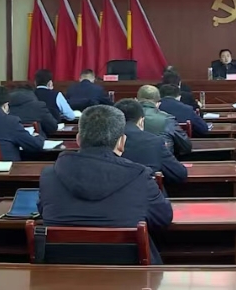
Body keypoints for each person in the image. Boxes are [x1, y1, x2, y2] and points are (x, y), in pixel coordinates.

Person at [38, 105, 173, 265]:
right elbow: (164, 218)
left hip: (62, 272)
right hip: (129, 274)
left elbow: (43, 211)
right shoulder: (140, 177)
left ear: (78, 139)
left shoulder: (49, 176)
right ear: (121, 142)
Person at [115, 99, 187, 185]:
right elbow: (180, 174)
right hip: (147, 191)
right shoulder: (155, 142)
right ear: (141, 121)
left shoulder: (105, 140)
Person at [137, 85, 192, 156]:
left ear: (136, 100)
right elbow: (186, 146)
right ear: (158, 104)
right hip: (161, 160)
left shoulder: (125, 117)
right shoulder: (167, 119)